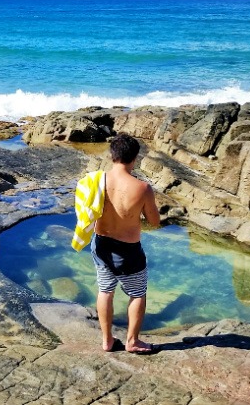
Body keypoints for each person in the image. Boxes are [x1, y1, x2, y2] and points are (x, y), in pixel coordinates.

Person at [92, 133, 160, 354]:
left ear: (112, 155)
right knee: (138, 293)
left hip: (100, 245)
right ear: (135, 158)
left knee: (105, 290)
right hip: (128, 250)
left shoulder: (96, 180)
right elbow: (154, 221)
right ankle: (132, 341)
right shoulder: (142, 188)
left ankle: (107, 340)